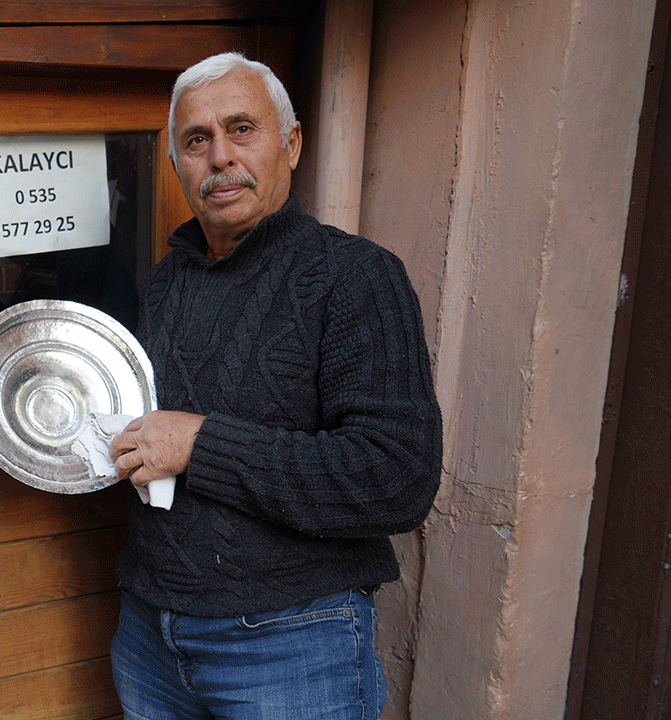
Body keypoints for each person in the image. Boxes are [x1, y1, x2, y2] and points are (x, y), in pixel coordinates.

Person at [106, 52, 442, 719]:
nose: (220, 156)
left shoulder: (355, 277)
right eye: (196, 141)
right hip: (150, 636)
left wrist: (202, 446)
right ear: (176, 164)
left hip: (293, 644)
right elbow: (147, 438)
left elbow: (397, 478)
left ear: (290, 145)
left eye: (242, 129)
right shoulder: (165, 283)